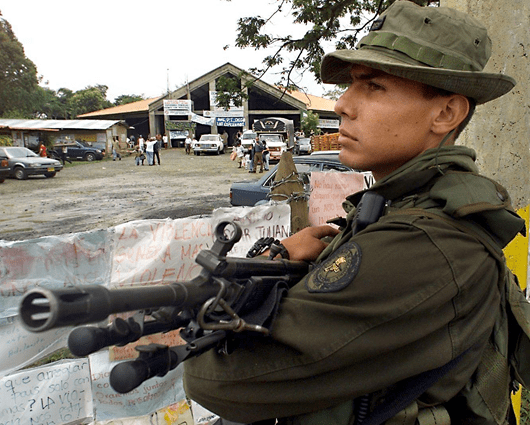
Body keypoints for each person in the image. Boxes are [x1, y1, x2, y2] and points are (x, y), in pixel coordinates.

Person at [183, 2, 525, 424]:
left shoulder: (425, 242)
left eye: (373, 86)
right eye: (351, 86)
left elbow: (213, 378)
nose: (343, 104)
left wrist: (273, 259)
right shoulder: (398, 207)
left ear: (445, 113)